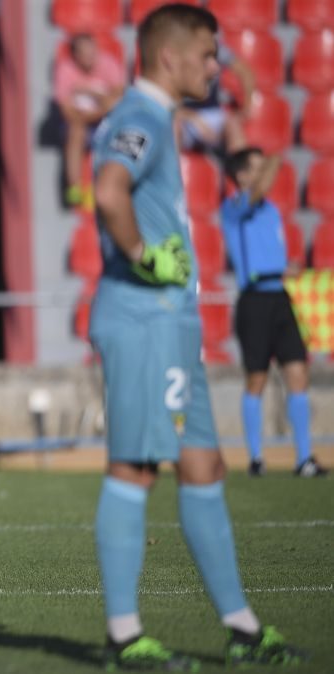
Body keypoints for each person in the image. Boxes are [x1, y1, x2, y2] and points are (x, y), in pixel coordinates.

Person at [89, 5, 305, 669]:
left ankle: (241, 627)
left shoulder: (162, 119)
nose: (216, 66)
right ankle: (124, 637)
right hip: (143, 319)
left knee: (203, 467)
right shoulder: (137, 117)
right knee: (134, 466)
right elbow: (107, 190)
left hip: (172, 324)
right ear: (170, 56)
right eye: (209, 55)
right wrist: (142, 254)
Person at [221, 148, 328, 478]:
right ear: (241, 176)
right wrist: (277, 155)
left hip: (281, 297)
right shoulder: (234, 207)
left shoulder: (271, 211)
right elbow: (260, 187)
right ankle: (255, 457)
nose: (263, 171)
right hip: (254, 301)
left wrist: (286, 269)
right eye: (255, 167)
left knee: (298, 374)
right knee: (257, 378)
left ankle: (304, 458)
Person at [54, 33, 126, 207]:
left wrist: (90, 93)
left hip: (105, 120)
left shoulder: (108, 64)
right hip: (79, 122)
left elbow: (118, 97)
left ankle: (110, 189)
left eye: (93, 53)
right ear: (75, 55)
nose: (90, 58)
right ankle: (75, 189)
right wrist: (100, 103)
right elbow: (66, 110)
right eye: (85, 54)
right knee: (76, 131)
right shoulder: (65, 69)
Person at [174, 43, 252, 156]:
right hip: (183, 116)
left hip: (212, 113)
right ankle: (171, 171)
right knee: (173, 128)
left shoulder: (216, 48)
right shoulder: (175, 50)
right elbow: (164, 100)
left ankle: (240, 170)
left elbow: (246, 73)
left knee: (233, 126)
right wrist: (193, 117)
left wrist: (246, 109)